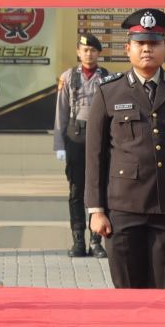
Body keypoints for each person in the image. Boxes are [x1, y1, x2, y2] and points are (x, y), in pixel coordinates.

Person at [85, 8, 165, 289]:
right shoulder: (109, 92)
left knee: (164, 294)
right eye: (140, 44)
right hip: (122, 211)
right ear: (128, 49)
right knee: (127, 296)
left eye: (154, 44)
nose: (147, 50)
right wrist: (96, 209)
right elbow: (95, 156)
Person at [54, 33, 109, 259]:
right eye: (85, 50)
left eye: (93, 50)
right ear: (78, 52)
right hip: (75, 137)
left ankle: (96, 241)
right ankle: (78, 241)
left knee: (98, 189)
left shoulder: (107, 78)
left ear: (98, 53)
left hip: (100, 138)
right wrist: (59, 144)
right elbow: (61, 112)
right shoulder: (68, 77)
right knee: (76, 191)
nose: (89, 54)